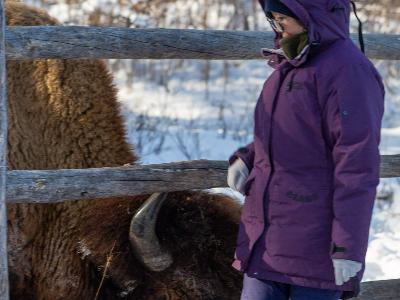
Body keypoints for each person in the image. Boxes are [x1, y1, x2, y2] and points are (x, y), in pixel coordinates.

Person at [227, 0, 385, 299]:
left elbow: (357, 165)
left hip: (317, 255)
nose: (277, 29)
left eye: (283, 20)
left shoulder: (348, 72)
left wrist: (347, 248)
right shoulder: (288, 68)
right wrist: (249, 157)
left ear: (310, 16)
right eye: (272, 20)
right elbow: (295, 136)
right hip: (267, 245)